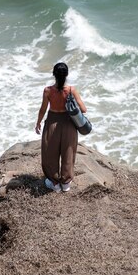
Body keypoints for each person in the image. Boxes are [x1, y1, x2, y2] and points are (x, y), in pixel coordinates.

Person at [35, 62, 87, 192]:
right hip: (68, 124)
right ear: (67, 75)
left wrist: (38, 123)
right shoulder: (71, 90)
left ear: (54, 74)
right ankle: (65, 183)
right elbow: (83, 109)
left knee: (50, 153)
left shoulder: (47, 90)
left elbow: (43, 109)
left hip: (52, 122)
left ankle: (54, 183)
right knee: (68, 152)